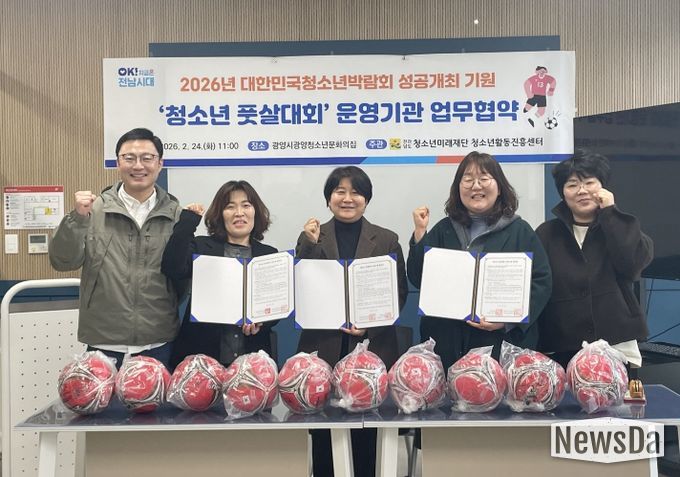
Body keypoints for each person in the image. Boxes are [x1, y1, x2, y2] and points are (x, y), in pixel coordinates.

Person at [295, 165, 408, 477]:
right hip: (324, 349)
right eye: (339, 191)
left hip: (372, 349)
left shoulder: (386, 239)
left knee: (368, 434)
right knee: (324, 436)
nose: (347, 198)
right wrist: (310, 242)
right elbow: (301, 286)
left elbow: (398, 294)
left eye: (356, 192)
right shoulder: (313, 235)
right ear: (328, 198)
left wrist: (370, 325)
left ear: (366, 199)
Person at [49, 128, 182, 368]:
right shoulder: (92, 210)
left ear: (160, 164)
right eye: (129, 158)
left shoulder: (176, 215)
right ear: (118, 163)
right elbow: (62, 261)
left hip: (158, 342)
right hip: (103, 343)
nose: (138, 165)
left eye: (147, 158)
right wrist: (77, 219)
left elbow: (183, 278)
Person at [407, 151, 552, 370]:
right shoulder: (444, 229)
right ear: (458, 188)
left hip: (499, 347)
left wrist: (507, 321)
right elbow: (418, 278)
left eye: (484, 178)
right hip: (446, 344)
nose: (476, 186)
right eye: (468, 179)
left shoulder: (520, 231)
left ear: (499, 187)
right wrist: (420, 233)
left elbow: (541, 282)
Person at [536, 151, 653, 369]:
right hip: (562, 345)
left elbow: (632, 266)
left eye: (589, 182)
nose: (582, 191)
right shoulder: (546, 233)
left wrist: (610, 213)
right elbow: (537, 284)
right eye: (572, 185)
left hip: (617, 343)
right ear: (562, 193)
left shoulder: (622, 226)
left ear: (603, 187)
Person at [161, 180, 278, 368]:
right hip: (201, 360)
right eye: (230, 207)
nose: (239, 213)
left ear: (255, 211)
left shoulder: (269, 254)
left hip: (252, 362)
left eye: (246, 205)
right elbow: (172, 267)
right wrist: (187, 222)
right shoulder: (202, 247)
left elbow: (275, 306)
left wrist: (262, 321)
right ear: (220, 214)